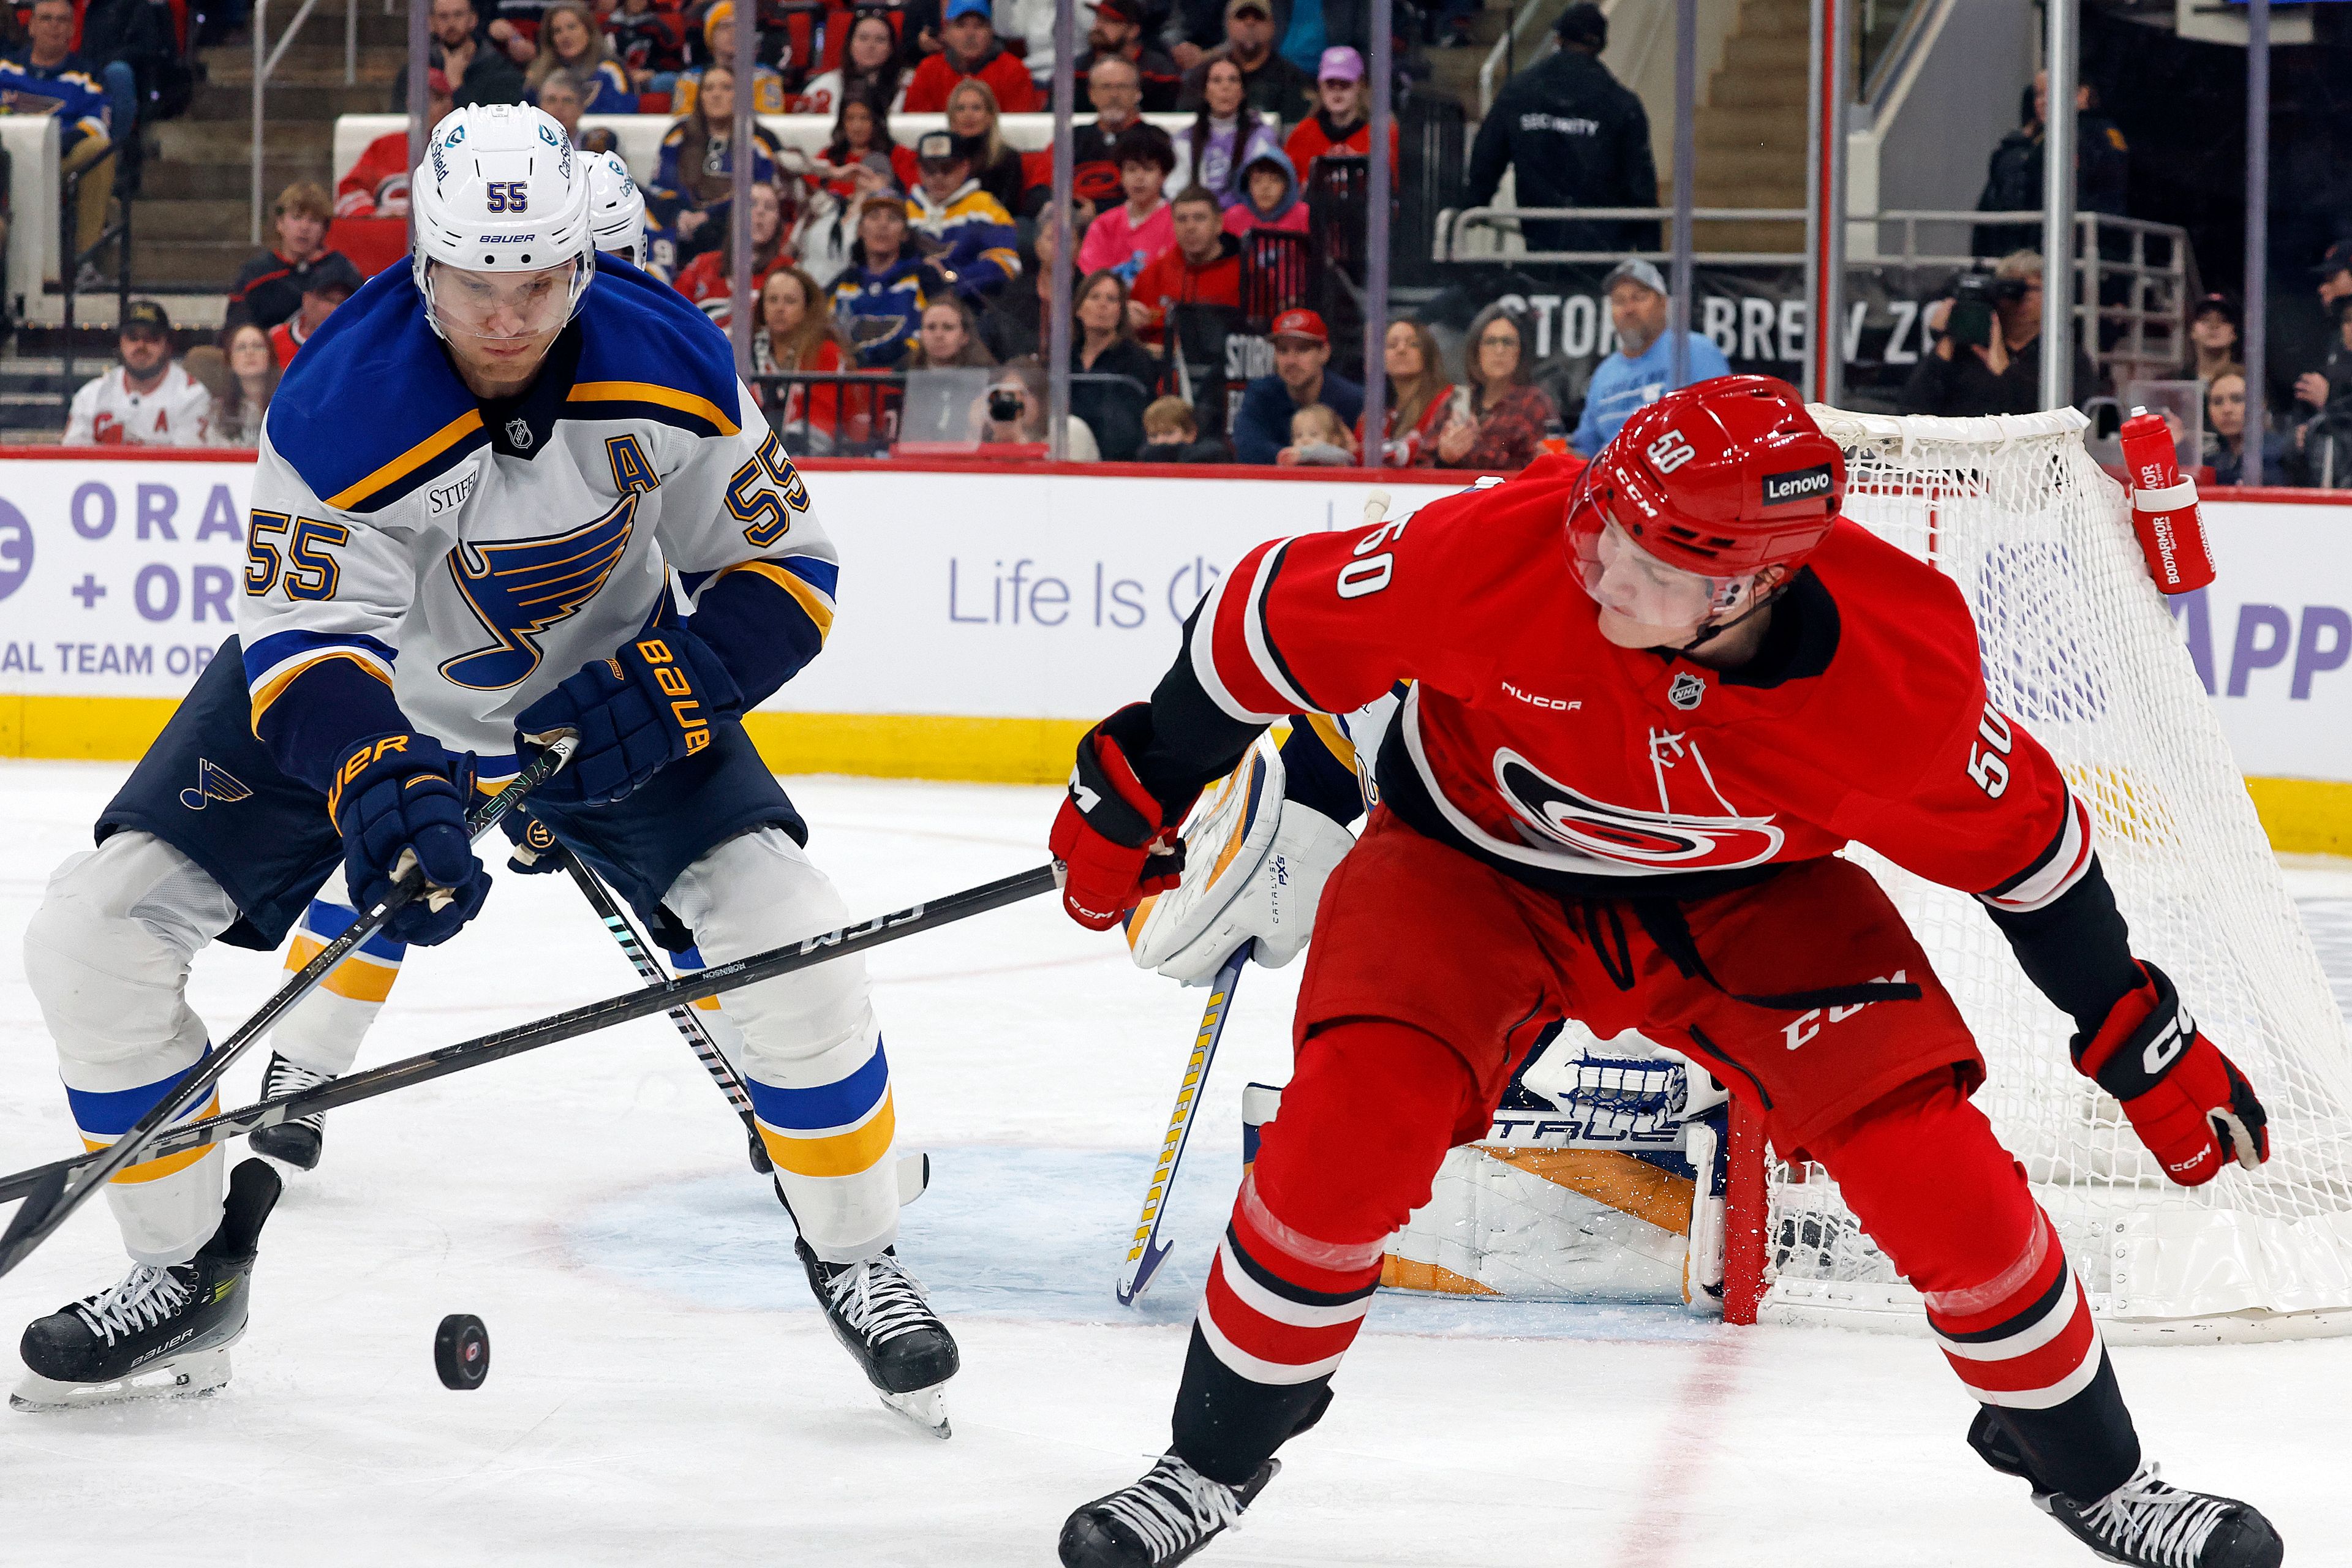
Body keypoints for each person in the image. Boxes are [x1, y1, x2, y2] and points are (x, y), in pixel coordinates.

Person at [1042, 373, 2285, 1568]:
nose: (1598, 567)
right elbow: (1259, 625)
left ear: (1755, 585)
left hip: (1757, 904)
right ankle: (1211, 1460)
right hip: (1469, 871)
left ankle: (2102, 1476)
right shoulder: (1508, 548)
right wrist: (1144, 769)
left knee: (1943, 1176)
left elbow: (2034, 852)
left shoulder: (1900, 681)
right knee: (1340, 1143)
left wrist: (2128, 1022)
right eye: (1606, 524)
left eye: (1649, 563)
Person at [14, 103, 966, 1444]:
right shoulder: (339, 404)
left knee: (796, 935)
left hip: (606, 688)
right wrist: (374, 778)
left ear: (583, 261)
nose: (505, 316)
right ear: (422, 261)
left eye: (534, 283)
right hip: (364, 695)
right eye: (474, 282)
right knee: (92, 933)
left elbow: (787, 573)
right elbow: (299, 640)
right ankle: (184, 1269)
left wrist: (676, 687)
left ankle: (855, 1244)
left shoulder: (673, 362)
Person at [1463, 2, 1658, 254]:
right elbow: (1641, 184)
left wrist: (1473, 205)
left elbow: (1487, 157)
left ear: (1558, 39)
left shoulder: (1519, 92)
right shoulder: (1622, 102)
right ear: (1602, 46)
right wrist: (1650, 254)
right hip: (1603, 253)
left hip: (1540, 247)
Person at [1898, 251, 2098, 419]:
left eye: (2034, 289)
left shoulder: (2065, 358)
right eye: (2013, 289)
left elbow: (2064, 421)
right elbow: (1912, 410)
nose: (2023, 298)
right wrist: (1948, 338)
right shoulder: (1966, 352)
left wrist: (2005, 372)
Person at [1, 0, 119, 268]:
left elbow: (98, 123)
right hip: (5, 160)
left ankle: (84, 262)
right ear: (30, 26)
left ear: (72, 30)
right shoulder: (4, 69)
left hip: (58, 160)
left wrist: (58, 143)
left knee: (99, 149)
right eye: (46, 19)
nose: (54, 26)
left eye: (62, 20)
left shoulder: (88, 76)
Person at [1570, 258, 1729, 456]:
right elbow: (1585, 450)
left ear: (1663, 303)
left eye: (1639, 297)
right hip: (1609, 480)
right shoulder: (1604, 374)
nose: (1629, 309)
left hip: (1679, 475)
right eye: (1619, 301)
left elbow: (1723, 426)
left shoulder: (1694, 350)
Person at [1973, 71, 2129, 258]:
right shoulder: (2029, 143)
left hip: (2078, 252)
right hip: (2025, 251)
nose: (2043, 101)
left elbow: (2101, 193)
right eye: (2038, 94)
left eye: (2052, 91)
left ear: (2082, 95)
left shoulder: (2096, 135)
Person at [648, 65, 784, 266]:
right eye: (709, 89)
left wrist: (708, 215)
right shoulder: (679, 135)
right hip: (680, 223)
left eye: (726, 88)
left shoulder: (760, 139)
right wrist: (681, 215)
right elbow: (661, 186)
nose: (716, 95)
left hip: (730, 226)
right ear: (700, 96)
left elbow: (765, 193)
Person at [63, 298, 212, 445]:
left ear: (167, 345)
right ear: (120, 343)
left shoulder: (192, 396)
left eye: (152, 338)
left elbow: (188, 465)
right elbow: (72, 461)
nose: (141, 346)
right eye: (133, 337)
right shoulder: (91, 395)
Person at [831, 187, 947, 366]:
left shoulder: (924, 277)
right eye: (874, 217)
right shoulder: (844, 283)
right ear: (860, 229)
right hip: (850, 384)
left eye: (893, 218)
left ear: (905, 234)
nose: (882, 225)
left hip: (908, 381)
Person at [1230, 307, 1360, 463]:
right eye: (1283, 350)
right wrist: (1297, 457)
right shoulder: (1261, 393)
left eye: (1302, 349)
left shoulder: (1353, 400)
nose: (1291, 361)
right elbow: (1247, 447)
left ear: (1324, 353)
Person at [755, 263, 863, 451]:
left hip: (815, 461)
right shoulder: (745, 351)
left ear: (807, 308)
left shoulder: (827, 353)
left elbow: (819, 430)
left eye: (790, 301)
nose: (780, 308)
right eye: (772, 300)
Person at [905, 130, 1020, 305]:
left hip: (966, 305)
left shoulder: (985, 206)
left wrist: (953, 278)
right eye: (930, 170)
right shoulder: (903, 210)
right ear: (920, 171)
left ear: (964, 167)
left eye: (947, 169)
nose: (938, 177)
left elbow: (1008, 262)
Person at [1435, 304, 1554, 472]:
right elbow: (1419, 466)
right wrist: (1443, 457)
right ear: (1476, 350)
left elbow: (1541, 470)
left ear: (1519, 351)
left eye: (1508, 342)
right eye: (1491, 342)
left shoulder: (1534, 403)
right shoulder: (1456, 402)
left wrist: (1473, 450)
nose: (1499, 350)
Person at [1128, 184, 1241, 349]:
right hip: (1163, 370)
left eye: (1200, 218)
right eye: (1182, 219)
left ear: (1218, 223)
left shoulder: (1247, 273)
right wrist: (1125, 320)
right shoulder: (1153, 274)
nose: (1190, 227)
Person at [671, 179, 789, 330]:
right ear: (734, 215)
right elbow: (672, 319)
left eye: (769, 207)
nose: (760, 212)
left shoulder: (788, 271)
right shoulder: (701, 266)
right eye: (751, 204)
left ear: (778, 222)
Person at [227, 183, 346, 331]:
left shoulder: (342, 273)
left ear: (324, 229)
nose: (304, 227)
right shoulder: (256, 274)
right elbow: (234, 332)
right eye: (297, 218)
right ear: (280, 223)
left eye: (314, 220)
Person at [1069, 268, 1159, 459]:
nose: (1103, 305)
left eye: (1112, 299)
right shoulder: (1066, 359)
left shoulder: (1137, 360)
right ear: (1078, 308)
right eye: (1094, 297)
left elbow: (1130, 425)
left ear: (1121, 311)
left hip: (1118, 458)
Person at [338, 71, 456, 217]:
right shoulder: (383, 146)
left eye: (435, 100)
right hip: (389, 236)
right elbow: (348, 193)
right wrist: (375, 215)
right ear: (409, 103)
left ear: (449, 105)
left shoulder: (461, 150)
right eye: (421, 99)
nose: (426, 107)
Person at [1169, 55, 1281, 208]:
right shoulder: (1184, 140)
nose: (1225, 87)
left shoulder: (1261, 136)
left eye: (1233, 80)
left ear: (1243, 92)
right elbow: (1174, 190)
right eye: (1217, 80)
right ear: (1205, 92)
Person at [1177, 0, 1311, 121]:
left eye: (1258, 17)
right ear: (1228, 25)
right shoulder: (1203, 76)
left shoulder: (1293, 79)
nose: (1250, 23)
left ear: (1272, 26)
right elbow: (1184, 123)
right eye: (1242, 17)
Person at [1079, 124, 1177, 282]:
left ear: (1163, 176)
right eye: (1131, 170)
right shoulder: (1103, 224)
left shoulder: (1177, 222)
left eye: (1148, 169)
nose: (1139, 177)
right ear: (1121, 176)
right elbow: (1095, 283)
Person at [1282, 47, 1396, 182]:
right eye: (1330, 84)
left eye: (1345, 83)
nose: (1337, 91)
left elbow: (1394, 186)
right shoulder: (1303, 133)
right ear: (1320, 86)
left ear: (1360, 85)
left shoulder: (1383, 133)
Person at [903, 0, 1039, 113]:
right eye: (961, 26)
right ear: (946, 33)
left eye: (979, 26)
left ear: (991, 32)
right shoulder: (929, 69)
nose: (970, 34)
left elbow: (1021, 129)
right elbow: (914, 123)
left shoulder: (1013, 70)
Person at [977, 203, 1072, 361]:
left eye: (1066, 240)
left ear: (1079, 245)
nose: (1058, 248)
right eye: (1050, 239)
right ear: (1037, 245)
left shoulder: (1088, 291)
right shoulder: (1015, 292)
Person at [394, 0, 528, 110]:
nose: (451, 23)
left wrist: (456, 85)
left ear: (473, 20)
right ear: (431, 23)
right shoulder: (416, 71)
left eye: (458, 15)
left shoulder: (499, 69)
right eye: (443, 16)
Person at [1356, 317, 1451, 467]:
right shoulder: (1372, 414)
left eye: (1413, 344)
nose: (1401, 350)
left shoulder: (1448, 401)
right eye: (1392, 345)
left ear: (1428, 353)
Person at [671, 1, 788, 113]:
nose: (733, 32)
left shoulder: (765, 78)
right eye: (725, 26)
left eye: (739, 26)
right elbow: (683, 126)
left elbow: (769, 124)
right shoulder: (689, 80)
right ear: (711, 36)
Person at [971, 355, 1100, 457]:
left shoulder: (1067, 429)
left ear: (1040, 398)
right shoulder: (993, 431)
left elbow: (1053, 483)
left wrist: (1018, 441)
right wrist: (974, 430)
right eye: (1006, 396)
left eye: (1022, 393)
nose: (1012, 403)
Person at [1072, 55, 1150, 214]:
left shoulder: (1155, 139)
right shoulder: (1071, 138)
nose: (1114, 95)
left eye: (1122, 87)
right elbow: (1048, 187)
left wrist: (1100, 211)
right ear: (1092, 94)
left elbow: (1156, 197)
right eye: (1106, 87)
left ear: (1137, 93)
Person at [1071, 0, 1182, 111]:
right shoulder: (1076, 70)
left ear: (1133, 31)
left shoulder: (1158, 72)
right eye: (1098, 19)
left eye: (1110, 21)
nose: (1098, 27)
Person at [943, 78, 1032, 217]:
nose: (968, 115)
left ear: (990, 116)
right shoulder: (939, 158)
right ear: (952, 117)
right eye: (960, 109)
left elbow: (1007, 210)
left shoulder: (1007, 158)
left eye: (976, 108)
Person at [526, 1, 633, 109]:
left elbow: (622, 116)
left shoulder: (610, 70)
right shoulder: (539, 75)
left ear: (589, 30)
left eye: (572, 27)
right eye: (557, 31)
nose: (566, 36)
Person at [799, 8, 906, 115]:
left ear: (891, 48)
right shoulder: (825, 87)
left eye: (880, 40)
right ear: (850, 44)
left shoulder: (908, 84)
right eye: (863, 38)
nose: (871, 46)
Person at [268, 252, 362, 367]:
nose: (335, 309)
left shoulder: (358, 347)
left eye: (343, 303)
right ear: (307, 299)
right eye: (329, 300)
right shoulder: (275, 340)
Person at [2206, 368, 2286, 490]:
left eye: (2238, 399)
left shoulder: (2279, 456)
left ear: (2261, 405)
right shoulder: (2212, 461)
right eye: (2217, 402)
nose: (2227, 409)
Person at [208, 321, 279, 448]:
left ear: (270, 356)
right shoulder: (217, 411)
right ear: (230, 360)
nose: (250, 352)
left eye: (258, 346)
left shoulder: (285, 406)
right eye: (241, 347)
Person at [1219, 146, 1305, 236]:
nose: (1265, 187)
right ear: (1247, 186)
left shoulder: (1305, 216)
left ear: (1287, 186)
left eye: (1275, 180)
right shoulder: (1232, 218)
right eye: (1257, 180)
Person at [533, 69, 619, 155]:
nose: (559, 107)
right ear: (539, 106)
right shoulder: (526, 145)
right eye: (551, 100)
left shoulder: (598, 149)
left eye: (567, 101)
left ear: (581, 107)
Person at [609, 0, 691, 89]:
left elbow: (673, 60)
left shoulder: (657, 26)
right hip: (619, 77)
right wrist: (626, 75)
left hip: (653, 77)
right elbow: (606, 61)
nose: (637, 2)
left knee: (669, 80)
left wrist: (651, 72)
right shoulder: (610, 28)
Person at [908, 295, 997, 369]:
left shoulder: (990, 378)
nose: (938, 335)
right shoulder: (900, 377)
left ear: (965, 336)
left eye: (948, 327)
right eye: (931, 327)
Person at [1137, 393, 1229, 461]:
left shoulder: (1212, 455)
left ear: (1190, 433)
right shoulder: (1143, 458)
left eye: (1169, 433)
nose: (1161, 441)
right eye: (1154, 436)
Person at [1277, 400, 1353, 465]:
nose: (1305, 440)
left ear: (1335, 440)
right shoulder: (1295, 460)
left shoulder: (1340, 457)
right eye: (1299, 436)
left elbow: (1343, 456)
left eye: (1313, 435)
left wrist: (1303, 454)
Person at [2187, 293, 2240, 385]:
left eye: (2223, 320)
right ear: (2193, 331)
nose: (2214, 326)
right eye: (2205, 320)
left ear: (2234, 333)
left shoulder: (2248, 382)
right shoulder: (2174, 382)